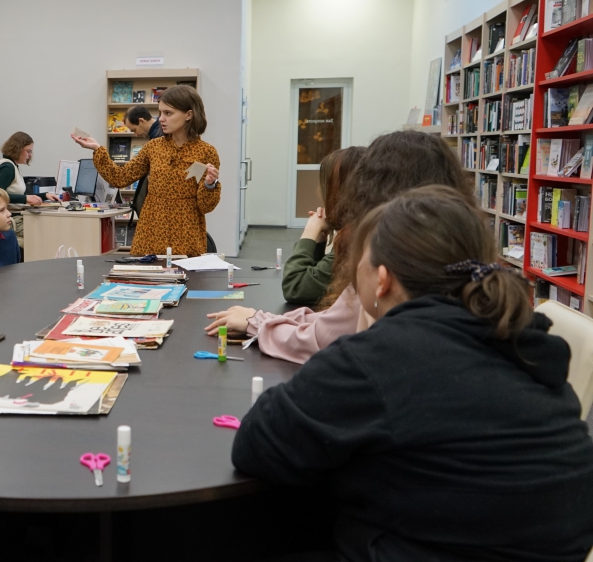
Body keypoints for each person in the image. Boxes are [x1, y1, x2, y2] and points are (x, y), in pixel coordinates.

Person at [231, 185, 593, 562]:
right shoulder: (523, 341)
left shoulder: (386, 356)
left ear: (382, 279)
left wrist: (364, 332)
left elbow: (258, 443)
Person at [205, 130, 473, 364]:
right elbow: (332, 318)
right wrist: (260, 319)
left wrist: (257, 323)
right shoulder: (453, 250)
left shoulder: (384, 254)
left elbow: (320, 329)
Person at [73, 85, 220, 256]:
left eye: (168, 113)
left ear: (189, 114)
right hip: (151, 233)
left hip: (186, 234)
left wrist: (210, 185)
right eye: (160, 113)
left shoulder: (206, 152)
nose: (161, 119)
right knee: (143, 272)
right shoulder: (154, 147)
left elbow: (206, 206)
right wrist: (97, 149)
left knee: (184, 273)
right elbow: (120, 178)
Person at [281, 146, 365, 307]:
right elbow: (320, 282)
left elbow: (295, 287)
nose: (319, 190)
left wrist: (310, 233)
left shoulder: (355, 236)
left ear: (338, 189)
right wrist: (320, 241)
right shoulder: (363, 226)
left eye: (324, 184)